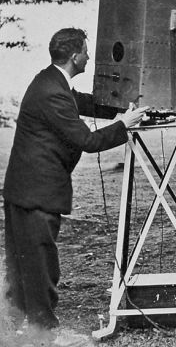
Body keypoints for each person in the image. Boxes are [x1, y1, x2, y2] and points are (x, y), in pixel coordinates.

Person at [2, 28, 148, 337]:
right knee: (39, 266)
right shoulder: (53, 91)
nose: (89, 56)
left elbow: (82, 102)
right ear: (74, 57)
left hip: (26, 189)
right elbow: (87, 140)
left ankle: (19, 332)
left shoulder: (51, 81)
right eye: (85, 51)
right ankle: (44, 335)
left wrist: (118, 107)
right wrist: (124, 125)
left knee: (24, 266)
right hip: (36, 193)